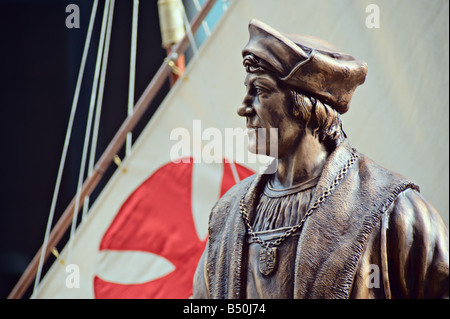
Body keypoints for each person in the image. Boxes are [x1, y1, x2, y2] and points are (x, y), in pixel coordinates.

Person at [192, 19, 449, 299]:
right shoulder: (227, 216)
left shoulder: (395, 211)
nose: (243, 108)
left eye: (261, 91)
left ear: (305, 104)